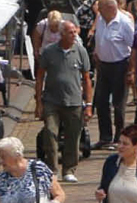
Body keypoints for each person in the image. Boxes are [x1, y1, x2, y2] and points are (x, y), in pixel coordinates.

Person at [36, 24, 94, 183]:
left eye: (75, 32)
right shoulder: (49, 51)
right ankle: (52, 170)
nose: (74, 35)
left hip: (74, 101)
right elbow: (40, 76)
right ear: (62, 34)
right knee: (50, 133)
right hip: (52, 101)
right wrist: (38, 102)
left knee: (73, 137)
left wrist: (88, 104)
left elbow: (87, 79)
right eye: (70, 32)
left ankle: (69, 169)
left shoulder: (81, 52)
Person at [91, 0, 137, 147]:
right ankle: (105, 136)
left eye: (100, 8)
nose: (98, 11)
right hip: (103, 66)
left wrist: (131, 71)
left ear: (109, 8)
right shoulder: (101, 20)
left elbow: (133, 47)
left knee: (119, 104)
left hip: (120, 65)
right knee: (101, 101)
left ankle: (119, 136)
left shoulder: (124, 22)